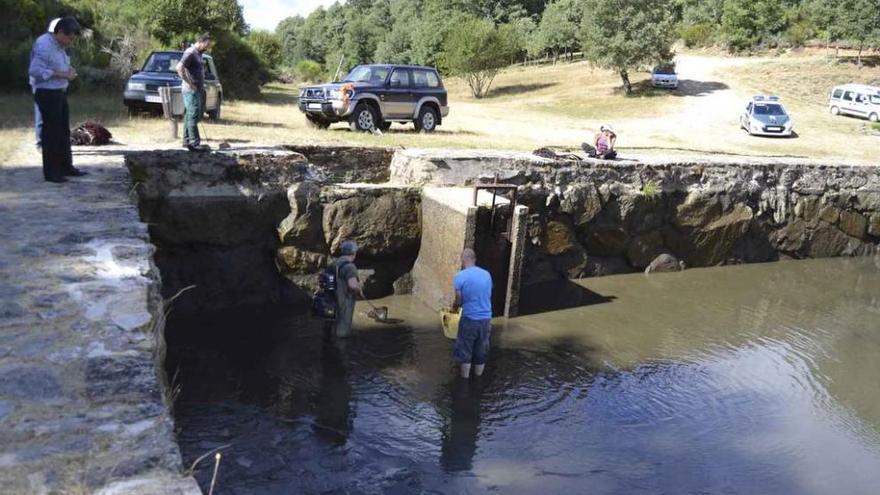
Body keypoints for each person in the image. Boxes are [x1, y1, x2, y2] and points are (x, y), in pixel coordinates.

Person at [28, 16, 86, 183]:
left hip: (59, 91)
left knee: (63, 132)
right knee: (51, 134)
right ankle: (51, 172)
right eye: (70, 37)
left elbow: (58, 64)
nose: (71, 41)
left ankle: (66, 167)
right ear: (60, 32)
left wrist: (69, 70)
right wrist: (63, 74)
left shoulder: (59, 44)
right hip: (47, 93)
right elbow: (35, 71)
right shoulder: (44, 45)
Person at [451, 248, 493, 379]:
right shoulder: (487, 274)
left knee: (465, 350)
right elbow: (488, 293)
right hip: (486, 319)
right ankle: (478, 380)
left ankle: (464, 382)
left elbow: (459, 299)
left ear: (463, 260)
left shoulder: (460, 276)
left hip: (469, 318)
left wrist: (454, 308)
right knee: (481, 351)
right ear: (474, 259)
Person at [176, 34, 212, 152]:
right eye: (207, 44)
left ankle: (186, 141)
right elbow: (179, 67)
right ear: (201, 42)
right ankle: (194, 143)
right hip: (190, 90)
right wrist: (190, 83)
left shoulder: (199, 53)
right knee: (193, 113)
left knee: (189, 114)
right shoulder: (190, 52)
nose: (208, 46)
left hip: (197, 89)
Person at [29, 18, 61, 149]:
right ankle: (40, 142)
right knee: (41, 113)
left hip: (53, 85)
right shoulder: (43, 43)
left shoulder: (56, 44)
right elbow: (37, 69)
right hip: (41, 84)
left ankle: (51, 142)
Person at [328, 240, 364, 338]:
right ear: (354, 253)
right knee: (342, 333)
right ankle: (342, 350)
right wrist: (359, 291)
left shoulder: (333, 264)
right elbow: (353, 285)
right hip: (344, 301)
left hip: (330, 301)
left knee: (331, 329)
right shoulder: (350, 267)